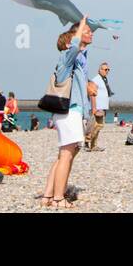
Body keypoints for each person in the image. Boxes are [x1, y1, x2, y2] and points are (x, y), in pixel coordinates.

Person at [41, 17, 91, 209]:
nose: (90, 33)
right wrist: (82, 22)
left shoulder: (78, 59)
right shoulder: (67, 57)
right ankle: (58, 198)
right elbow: (75, 45)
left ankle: (48, 195)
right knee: (67, 154)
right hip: (68, 110)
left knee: (66, 153)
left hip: (73, 111)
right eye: (86, 31)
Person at [86, 62, 112, 151]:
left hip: (103, 107)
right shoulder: (96, 80)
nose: (107, 71)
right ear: (99, 70)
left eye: (108, 69)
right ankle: (86, 140)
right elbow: (92, 94)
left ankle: (93, 145)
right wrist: (94, 108)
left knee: (99, 126)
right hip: (97, 107)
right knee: (96, 125)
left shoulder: (104, 80)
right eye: (105, 69)